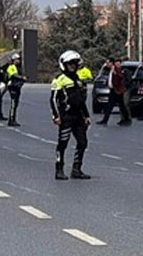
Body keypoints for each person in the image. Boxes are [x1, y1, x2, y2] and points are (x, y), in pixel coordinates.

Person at [50, 50, 92, 180]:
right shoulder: (59, 80)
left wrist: (86, 115)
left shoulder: (78, 79)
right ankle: (59, 169)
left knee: (83, 142)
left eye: (75, 64)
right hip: (66, 117)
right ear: (64, 65)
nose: (73, 66)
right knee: (63, 143)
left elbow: (80, 100)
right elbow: (52, 99)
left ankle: (76, 169)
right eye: (70, 64)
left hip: (78, 117)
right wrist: (56, 116)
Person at [98, 58, 132, 126]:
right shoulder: (111, 69)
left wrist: (115, 73)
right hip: (113, 90)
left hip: (117, 90)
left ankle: (126, 119)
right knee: (115, 106)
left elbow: (120, 76)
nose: (107, 64)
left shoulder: (116, 69)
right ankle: (106, 120)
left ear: (111, 63)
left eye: (108, 63)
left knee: (117, 106)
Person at [5, 53, 26, 126]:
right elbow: (13, 75)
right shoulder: (11, 67)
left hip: (17, 87)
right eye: (17, 59)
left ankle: (13, 119)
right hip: (13, 86)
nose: (18, 61)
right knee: (13, 104)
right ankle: (11, 120)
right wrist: (21, 78)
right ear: (14, 60)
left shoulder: (18, 67)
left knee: (16, 104)